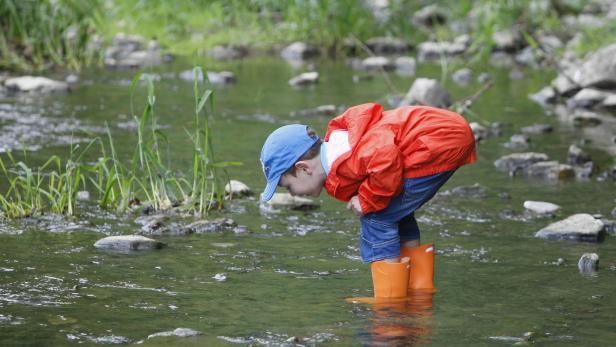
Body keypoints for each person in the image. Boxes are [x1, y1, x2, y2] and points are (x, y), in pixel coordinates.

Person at [259, 103, 476, 301]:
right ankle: (418, 291)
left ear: (304, 168)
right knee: (394, 209)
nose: (293, 193)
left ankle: (390, 302)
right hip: (442, 136)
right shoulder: (341, 150)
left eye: (288, 186)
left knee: (376, 216)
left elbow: (385, 157)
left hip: (437, 139)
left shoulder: (348, 154)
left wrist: (367, 199)